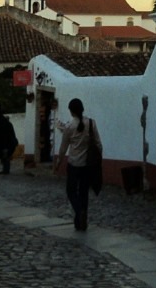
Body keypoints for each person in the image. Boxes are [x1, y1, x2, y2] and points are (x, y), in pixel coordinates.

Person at [54, 98, 102, 231]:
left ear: (71, 111)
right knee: (83, 192)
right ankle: (81, 222)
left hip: (74, 164)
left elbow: (63, 148)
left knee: (71, 191)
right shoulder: (91, 123)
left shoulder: (69, 127)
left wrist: (58, 162)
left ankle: (79, 211)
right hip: (87, 165)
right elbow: (98, 144)